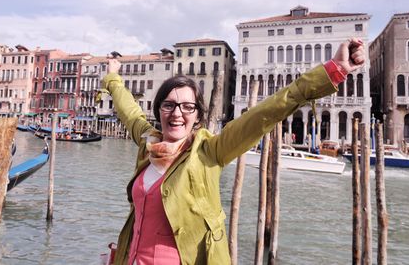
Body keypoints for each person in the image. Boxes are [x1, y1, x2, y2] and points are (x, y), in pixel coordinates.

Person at [102, 38, 366, 264]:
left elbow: (268, 112)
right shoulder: (149, 142)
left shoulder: (211, 151)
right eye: (169, 105)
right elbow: (128, 110)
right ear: (159, 109)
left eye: (187, 107)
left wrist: (335, 69)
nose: (177, 114)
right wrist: (113, 75)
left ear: (198, 116)